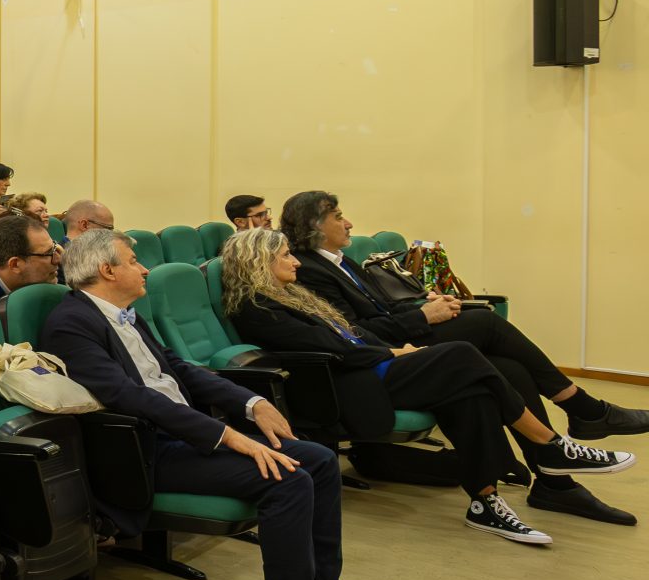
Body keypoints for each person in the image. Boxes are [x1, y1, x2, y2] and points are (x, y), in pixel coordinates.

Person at [41, 228, 412, 580]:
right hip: (147, 451)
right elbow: (128, 397)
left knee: (318, 461)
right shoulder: (71, 323)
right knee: (287, 479)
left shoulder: (124, 314)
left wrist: (252, 404)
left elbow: (178, 369)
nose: (144, 268)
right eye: (133, 261)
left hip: (184, 437)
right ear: (106, 270)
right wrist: (228, 436)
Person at [221, 228, 632, 543]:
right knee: (462, 354)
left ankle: (485, 501)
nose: (295, 260)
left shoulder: (292, 294)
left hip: (373, 366)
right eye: (285, 255)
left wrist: (394, 349)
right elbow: (330, 349)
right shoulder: (255, 306)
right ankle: (549, 446)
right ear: (258, 262)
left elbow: (352, 333)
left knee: (472, 388)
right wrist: (394, 352)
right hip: (349, 384)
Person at [283, 190, 647, 522]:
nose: (348, 223)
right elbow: (355, 330)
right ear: (314, 226)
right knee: (485, 324)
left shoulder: (340, 261)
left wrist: (426, 305)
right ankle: (583, 410)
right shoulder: (309, 269)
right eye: (338, 217)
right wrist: (422, 317)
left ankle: (555, 484)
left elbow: (381, 308)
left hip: (397, 334)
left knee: (510, 368)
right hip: (382, 354)